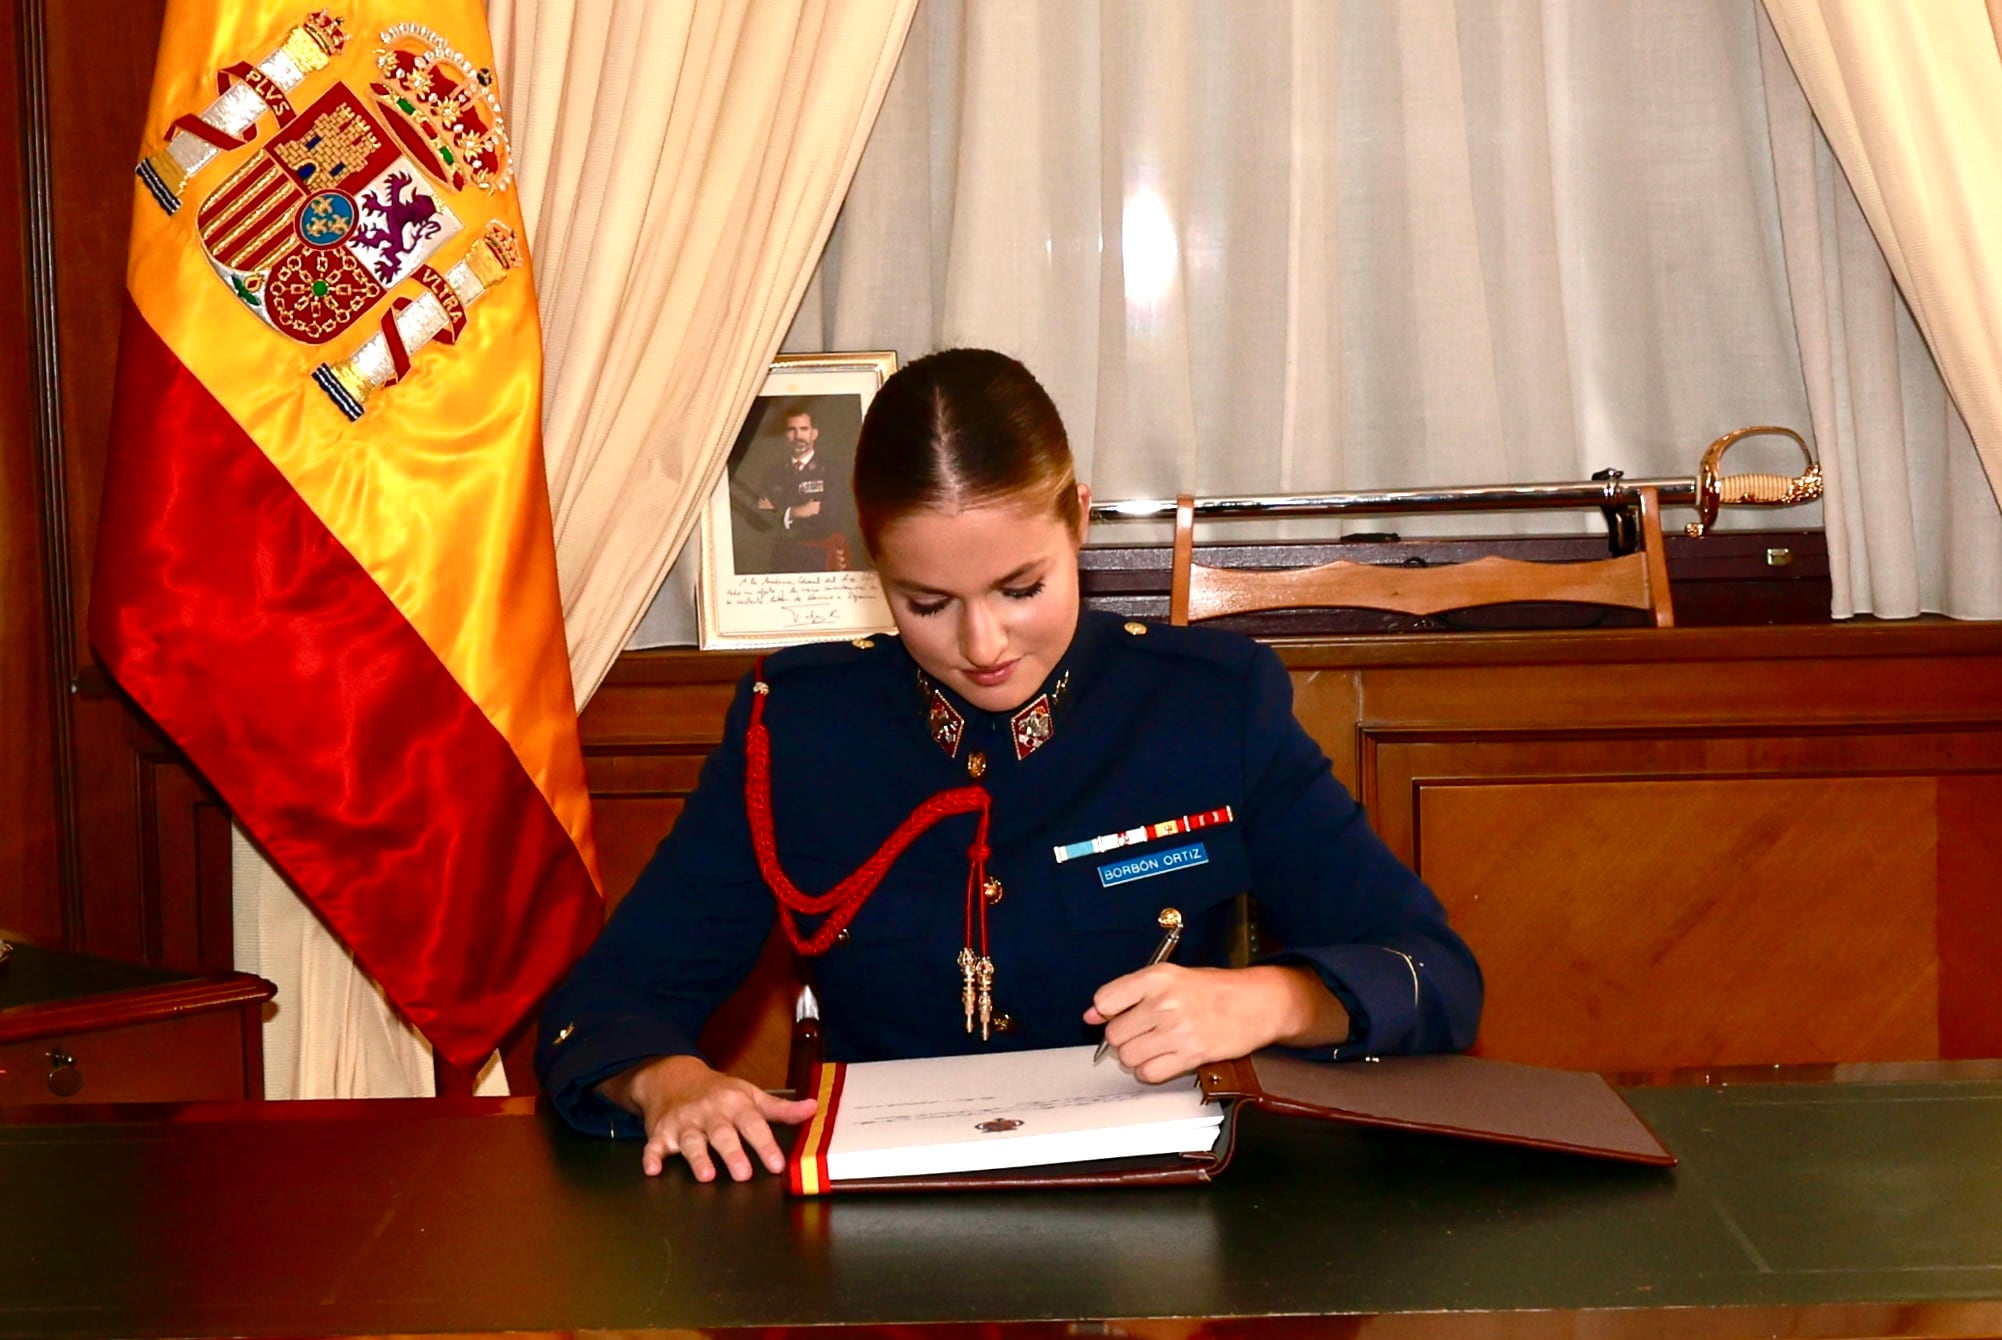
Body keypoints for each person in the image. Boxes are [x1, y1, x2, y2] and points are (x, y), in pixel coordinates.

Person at [539, 348, 1482, 1181]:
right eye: (927, 603)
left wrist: (1273, 999)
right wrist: (668, 1082)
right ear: (875, 566)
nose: (982, 644)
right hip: (888, 1238)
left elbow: (1434, 974)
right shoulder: (797, 730)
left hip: (1153, 1225)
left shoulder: (1206, 706)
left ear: (1079, 520)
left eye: (1021, 588)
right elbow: (605, 1005)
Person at [753, 404, 842, 571]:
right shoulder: (773, 474)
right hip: (781, 562)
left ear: (814, 433)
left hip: (819, 561)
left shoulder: (831, 472)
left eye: (804, 429)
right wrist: (794, 512)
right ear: (785, 435)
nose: (798, 436)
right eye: (791, 430)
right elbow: (761, 520)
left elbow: (829, 521)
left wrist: (781, 515)